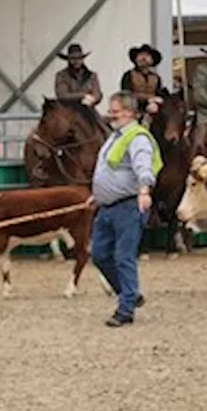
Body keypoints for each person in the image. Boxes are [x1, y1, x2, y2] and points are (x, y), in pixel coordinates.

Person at [91, 91, 161, 328]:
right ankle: (129, 293)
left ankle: (126, 308)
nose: (111, 115)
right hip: (107, 206)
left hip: (128, 205)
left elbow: (143, 166)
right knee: (100, 254)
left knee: (123, 256)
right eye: (111, 111)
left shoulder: (137, 138)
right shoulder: (115, 136)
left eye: (116, 111)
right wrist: (99, 194)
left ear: (130, 113)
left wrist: (144, 190)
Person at [119, 44, 168, 120]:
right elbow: (126, 94)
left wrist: (157, 101)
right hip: (133, 110)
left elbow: (158, 94)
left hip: (153, 110)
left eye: (147, 55)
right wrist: (148, 99)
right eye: (141, 55)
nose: (143, 58)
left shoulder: (156, 78)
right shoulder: (128, 75)